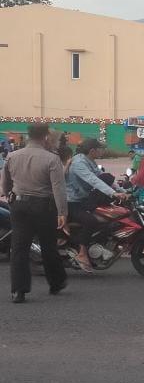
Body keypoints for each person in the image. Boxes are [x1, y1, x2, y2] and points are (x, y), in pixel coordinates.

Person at [2, 124, 69, 303]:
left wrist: (10, 196)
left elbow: (5, 183)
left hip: (18, 205)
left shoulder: (12, 156)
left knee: (18, 248)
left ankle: (18, 290)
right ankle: (56, 282)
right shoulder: (51, 159)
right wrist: (62, 212)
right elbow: (58, 188)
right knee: (48, 246)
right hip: (44, 206)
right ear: (46, 136)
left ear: (28, 136)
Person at [65, 139, 129, 269]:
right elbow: (93, 180)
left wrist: (123, 192)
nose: (103, 150)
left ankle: (97, 246)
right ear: (92, 150)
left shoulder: (89, 161)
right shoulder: (79, 163)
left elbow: (103, 178)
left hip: (83, 200)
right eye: (100, 148)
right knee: (91, 221)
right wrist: (113, 194)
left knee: (106, 219)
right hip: (72, 202)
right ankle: (82, 253)